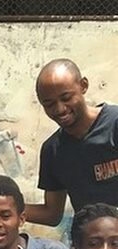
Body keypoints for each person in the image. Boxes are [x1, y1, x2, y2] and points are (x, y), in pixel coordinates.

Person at [26, 59, 118, 226]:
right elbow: (52, 214)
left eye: (66, 98)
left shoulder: (114, 124)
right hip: (91, 247)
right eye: (49, 104)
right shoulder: (53, 150)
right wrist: (1, 207)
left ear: (83, 86)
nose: (60, 109)